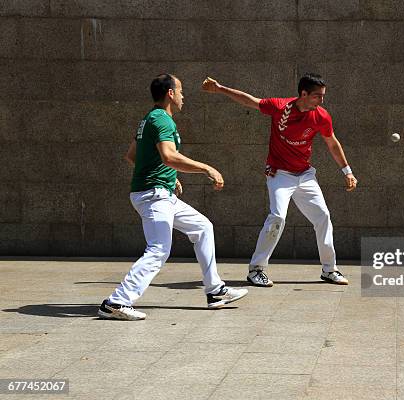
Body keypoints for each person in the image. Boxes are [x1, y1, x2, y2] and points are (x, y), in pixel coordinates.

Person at [98, 74, 248, 320]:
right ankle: (117, 301)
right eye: (180, 91)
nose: (183, 96)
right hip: (154, 196)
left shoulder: (149, 119)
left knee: (202, 227)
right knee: (158, 249)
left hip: (160, 194)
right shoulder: (163, 120)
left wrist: (166, 173)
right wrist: (206, 168)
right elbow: (168, 156)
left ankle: (215, 291)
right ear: (170, 93)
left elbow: (132, 156)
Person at [201, 73, 358, 287]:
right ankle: (256, 269)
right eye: (317, 96)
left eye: (323, 96)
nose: (321, 101)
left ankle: (330, 270)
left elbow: (332, 143)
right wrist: (220, 89)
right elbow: (251, 101)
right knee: (277, 217)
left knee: (322, 217)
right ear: (303, 94)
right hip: (279, 174)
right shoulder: (280, 107)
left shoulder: (321, 116)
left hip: (305, 175)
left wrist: (347, 171)